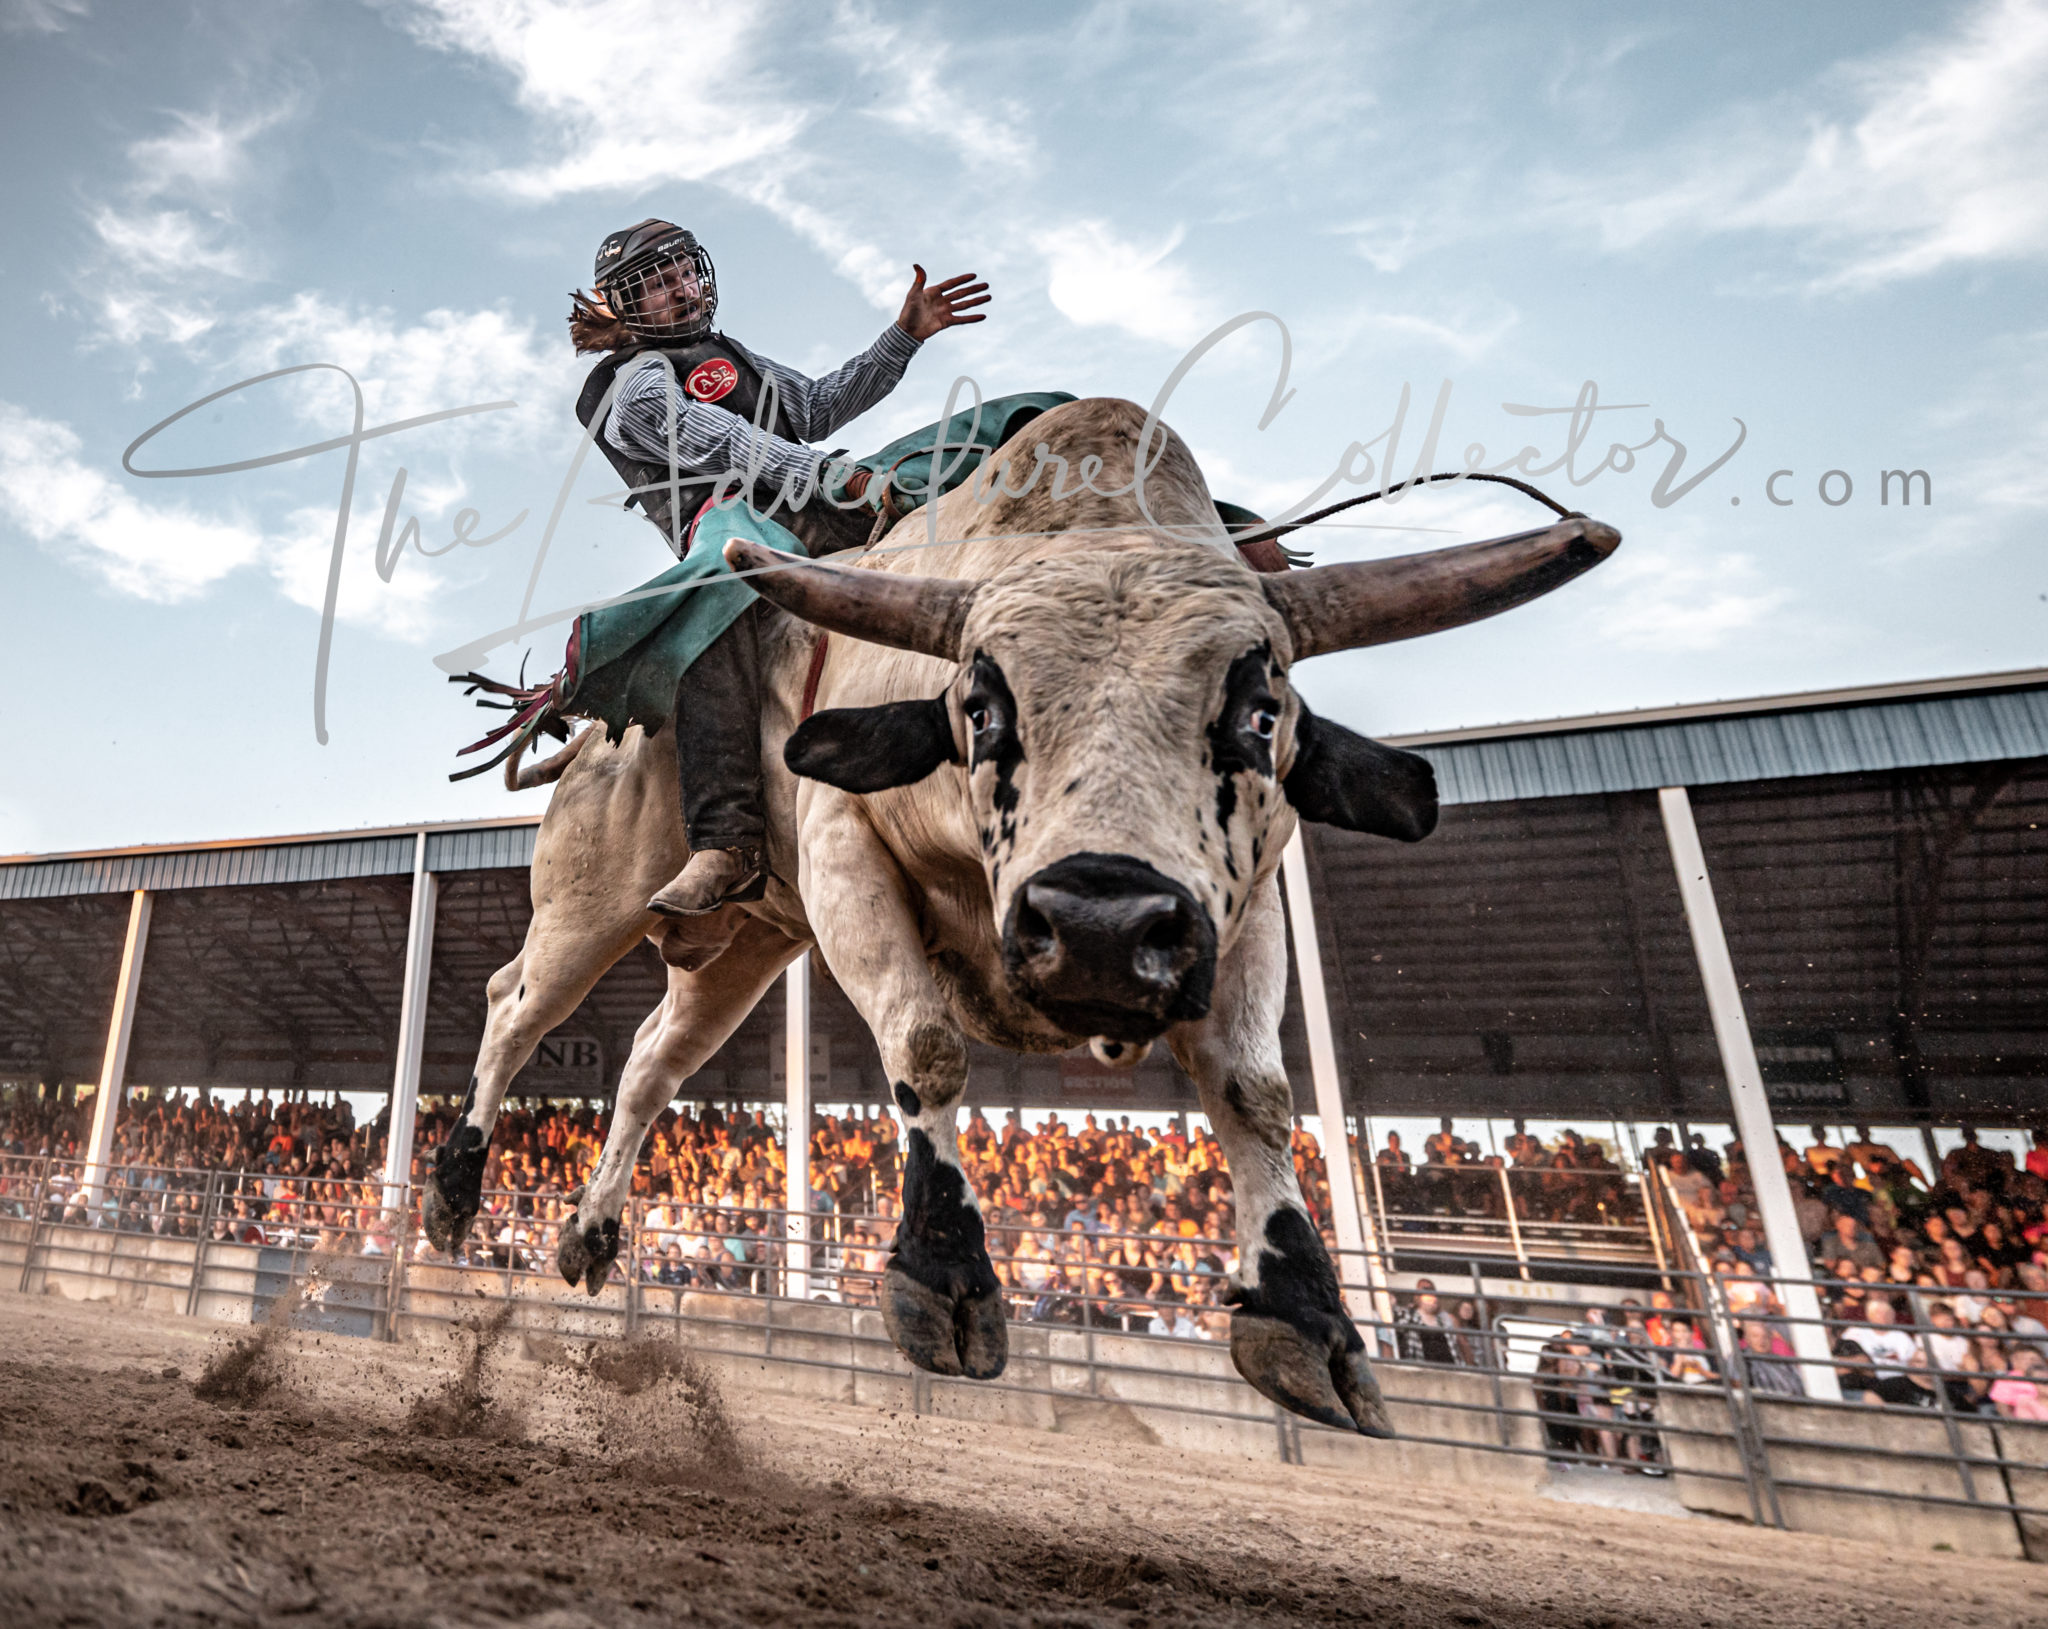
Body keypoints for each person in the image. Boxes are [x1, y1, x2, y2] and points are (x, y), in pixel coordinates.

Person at [569, 218, 990, 917]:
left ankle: (1204, 528)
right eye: (656, 282)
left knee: (963, 464)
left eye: (682, 272)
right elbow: (726, 442)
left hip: (818, 493)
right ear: (626, 306)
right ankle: (726, 840)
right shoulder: (627, 386)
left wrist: (904, 336)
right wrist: (838, 480)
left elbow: (817, 405)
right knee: (713, 602)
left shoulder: (731, 355)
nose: (679, 288)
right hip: (735, 524)